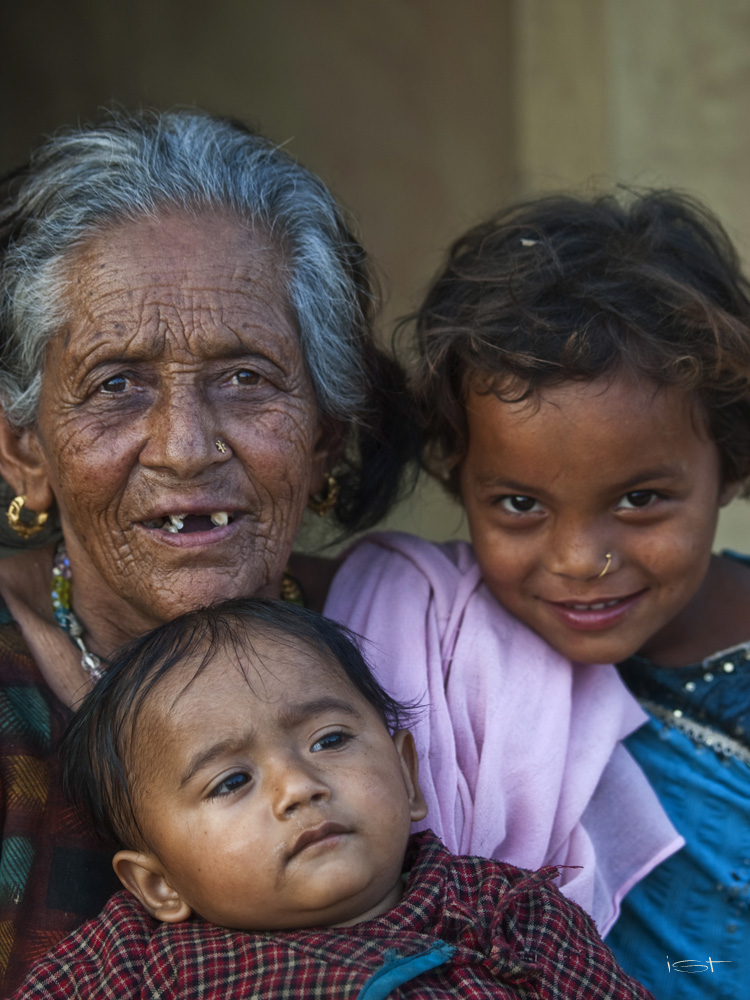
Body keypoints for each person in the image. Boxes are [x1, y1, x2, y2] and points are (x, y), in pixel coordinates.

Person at [0, 107, 675, 993]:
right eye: (116, 384)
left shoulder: (437, 640)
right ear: (25, 450)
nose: (185, 446)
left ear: (325, 433)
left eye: (246, 376)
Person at [407, 188, 750, 999]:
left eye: (639, 500)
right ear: (459, 479)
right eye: (520, 505)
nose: (580, 560)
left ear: (730, 465)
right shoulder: (445, 636)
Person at [12, 599, 654, 999]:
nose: (299, 786)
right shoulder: (129, 963)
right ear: (158, 885)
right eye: (231, 781)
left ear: (408, 778)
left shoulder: (509, 914)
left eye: (329, 739)